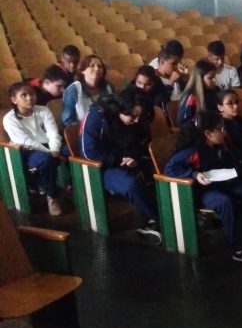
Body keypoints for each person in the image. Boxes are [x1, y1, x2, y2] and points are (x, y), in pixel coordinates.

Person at [165, 110, 242, 263]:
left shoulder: (220, 145)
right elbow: (170, 169)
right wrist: (194, 174)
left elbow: (230, 162)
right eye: (220, 129)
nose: (224, 132)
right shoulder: (193, 151)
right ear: (208, 133)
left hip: (224, 183)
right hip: (204, 190)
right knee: (225, 203)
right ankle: (239, 249)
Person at [79, 87, 161, 241]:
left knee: (162, 170)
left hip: (128, 159)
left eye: (140, 116)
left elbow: (142, 142)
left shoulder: (138, 118)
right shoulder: (97, 116)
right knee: (131, 184)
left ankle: (172, 214)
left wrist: (133, 156)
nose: (137, 120)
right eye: (133, 116)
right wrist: (118, 160)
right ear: (121, 109)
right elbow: (88, 152)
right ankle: (163, 220)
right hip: (101, 167)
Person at [3, 82, 64, 215]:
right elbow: (25, 142)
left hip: (49, 147)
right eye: (23, 95)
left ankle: (61, 185)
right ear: (14, 100)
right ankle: (52, 197)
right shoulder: (10, 119)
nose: (29, 98)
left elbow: (53, 133)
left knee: (68, 152)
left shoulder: (43, 110)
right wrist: (51, 153)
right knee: (46, 160)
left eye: (31, 94)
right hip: (26, 151)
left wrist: (55, 150)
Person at [61, 54, 114, 127]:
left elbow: (114, 110)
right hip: (83, 132)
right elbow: (68, 121)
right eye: (92, 66)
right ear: (82, 70)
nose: (97, 68)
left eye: (100, 66)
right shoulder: (74, 90)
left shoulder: (108, 86)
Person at [177, 60, 220, 126]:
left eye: (214, 77)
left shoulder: (217, 90)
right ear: (200, 79)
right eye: (210, 78)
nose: (214, 80)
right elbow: (184, 123)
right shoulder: (191, 96)